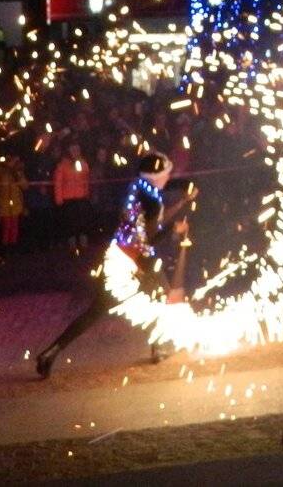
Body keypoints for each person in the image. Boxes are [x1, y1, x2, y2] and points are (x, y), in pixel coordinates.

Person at [35, 151, 192, 379]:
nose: (168, 177)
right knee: (164, 298)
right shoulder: (151, 201)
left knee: (96, 310)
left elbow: (161, 192)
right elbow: (148, 240)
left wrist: (184, 186)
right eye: (166, 173)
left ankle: (51, 352)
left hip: (116, 257)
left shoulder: (139, 187)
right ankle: (159, 347)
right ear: (156, 175)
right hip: (135, 261)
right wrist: (172, 229)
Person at [52, 141, 91, 250]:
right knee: (70, 221)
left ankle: (83, 242)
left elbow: (86, 179)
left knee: (82, 220)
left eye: (77, 150)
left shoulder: (83, 163)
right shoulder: (62, 165)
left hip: (81, 196)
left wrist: (87, 193)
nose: (75, 152)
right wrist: (58, 198)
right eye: (73, 150)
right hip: (68, 197)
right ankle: (72, 243)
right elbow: (58, 182)